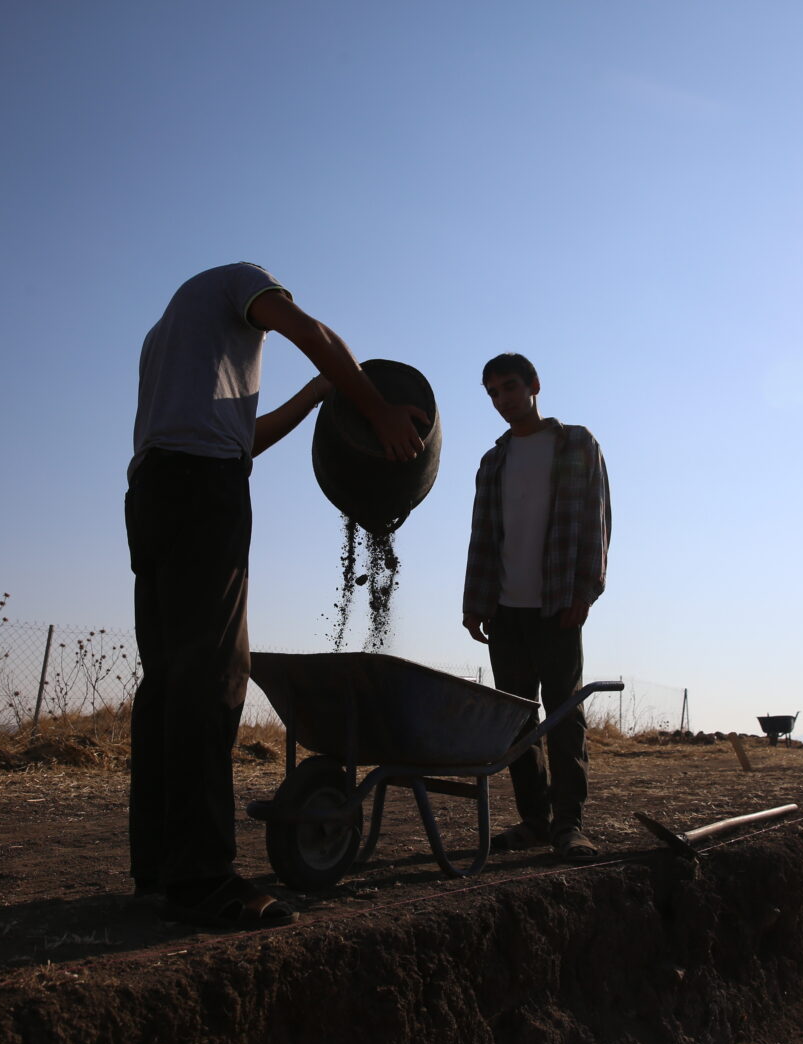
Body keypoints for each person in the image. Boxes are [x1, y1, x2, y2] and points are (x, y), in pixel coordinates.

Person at [126, 263, 426, 928]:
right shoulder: (242, 278)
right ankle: (203, 877)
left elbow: (247, 439)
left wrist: (321, 396)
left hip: (153, 492)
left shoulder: (168, 340)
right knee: (213, 676)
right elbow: (312, 331)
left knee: (168, 684)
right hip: (204, 489)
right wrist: (374, 407)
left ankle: (158, 869)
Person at [462, 352, 611, 862]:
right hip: (505, 611)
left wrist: (584, 591)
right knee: (518, 722)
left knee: (564, 716)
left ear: (534, 386)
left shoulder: (575, 445)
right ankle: (535, 821)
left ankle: (570, 825)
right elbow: (482, 536)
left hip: (556, 606)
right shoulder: (493, 461)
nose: (503, 400)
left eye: (509, 388)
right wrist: (474, 603)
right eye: (493, 393)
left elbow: (595, 522)